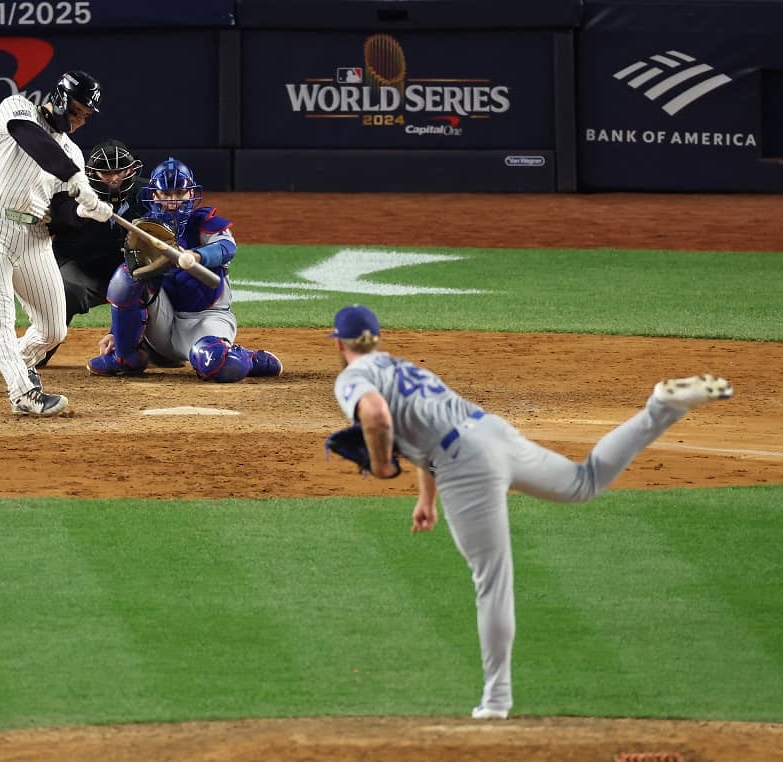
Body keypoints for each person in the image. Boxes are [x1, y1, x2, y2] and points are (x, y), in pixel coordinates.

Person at [327, 303, 733, 720]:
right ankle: (661, 409)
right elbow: (424, 427)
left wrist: (381, 466)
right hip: (493, 432)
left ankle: (496, 701)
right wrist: (427, 499)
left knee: (492, 580)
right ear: (376, 339)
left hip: (465, 463)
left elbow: (376, 415)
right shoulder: (403, 367)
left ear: (340, 344)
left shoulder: (352, 377)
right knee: (584, 482)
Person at [0, 70, 112, 416]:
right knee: (0, 314)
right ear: (59, 98)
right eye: (76, 111)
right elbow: (35, 142)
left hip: (33, 239)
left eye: (86, 116)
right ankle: (23, 393)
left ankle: (18, 361)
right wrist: (75, 177)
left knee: (53, 328)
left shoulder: (72, 152)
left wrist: (84, 211)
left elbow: (60, 213)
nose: (79, 120)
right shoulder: (17, 109)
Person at [85, 157, 282, 382]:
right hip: (163, 321)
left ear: (191, 193)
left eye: (179, 193)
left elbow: (227, 248)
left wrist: (196, 255)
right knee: (127, 275)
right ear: (154, 195)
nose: (173, 201)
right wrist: (115, 333)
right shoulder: (146, 230)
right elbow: (133, 287)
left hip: (207, 318)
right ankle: (125, 357)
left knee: (217, 365)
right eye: (166, 194)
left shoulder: (204, 223)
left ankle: (247, 357)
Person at [35, 139, 148, 368]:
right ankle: (37, 350)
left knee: (158, 286)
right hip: (83, 270)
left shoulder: (149, 194)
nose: (114, 178)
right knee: (64, 290)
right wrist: (63, 214)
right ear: (92, 173)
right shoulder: (73, 192)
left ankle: (141, 348)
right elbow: (52, 223)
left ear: (131, 169)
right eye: (106, 173)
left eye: (120, 171)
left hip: (130, 272)